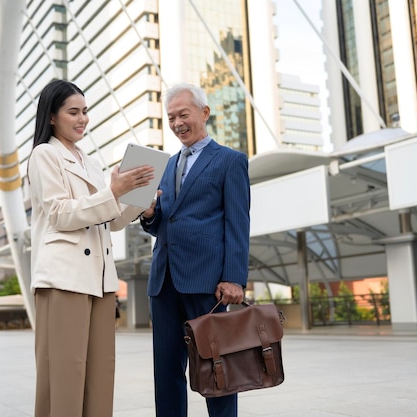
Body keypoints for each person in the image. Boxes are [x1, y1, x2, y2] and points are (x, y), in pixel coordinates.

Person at [27, 79, 155, 417]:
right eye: (73, 112)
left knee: (100, 375)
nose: (82, 118)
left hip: (100, 282)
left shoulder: (89, 161)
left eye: (85, 111)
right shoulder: (45, 155)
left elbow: (109, 220)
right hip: (63, 278)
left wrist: (138, 200)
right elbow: (59, 214)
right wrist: (112, 192)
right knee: (64, 376)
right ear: (52, 117)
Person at [140, 83, 251, 417]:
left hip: (208, 285)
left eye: (182, 114)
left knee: (215, 368)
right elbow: (165, 224)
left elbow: (237, 223)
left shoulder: (230, 161)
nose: (176, 123)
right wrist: (148, 214)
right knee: (166, 371)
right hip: (164, 282)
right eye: (171, 117)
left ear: (204, 112)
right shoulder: (165, 165)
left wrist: (234, 277)